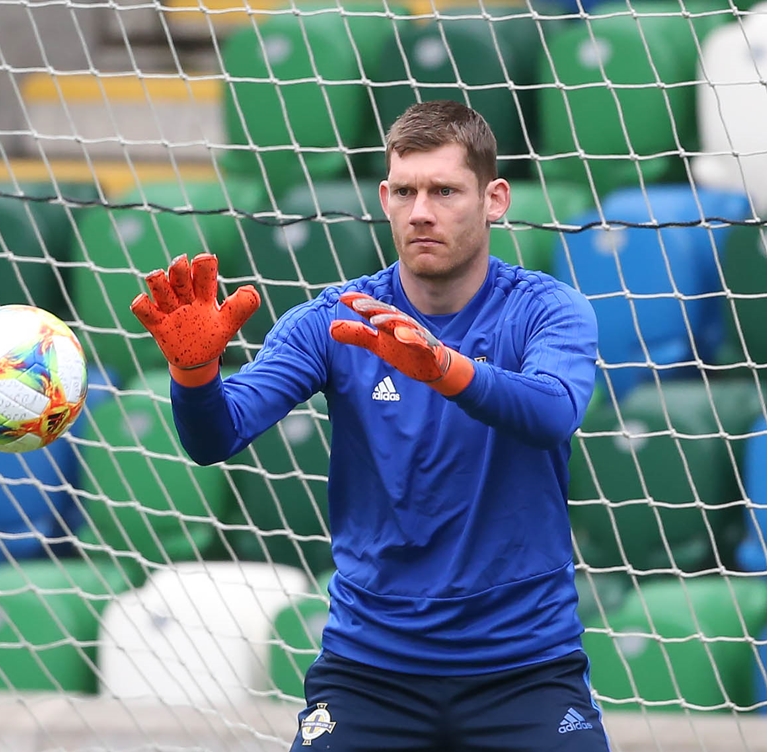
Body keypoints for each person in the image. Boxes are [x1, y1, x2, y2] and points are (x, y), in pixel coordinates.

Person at [129, 100, 609, 752]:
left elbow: (553, 412)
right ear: (384, 198)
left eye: (445, 191)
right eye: (406, 191)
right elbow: (216, 437)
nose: (421, 211)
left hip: (524, 666)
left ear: (494, 199)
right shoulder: (336, 320)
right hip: (370, 669)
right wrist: (193, 373)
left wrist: (443, 367)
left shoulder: (549, 310)